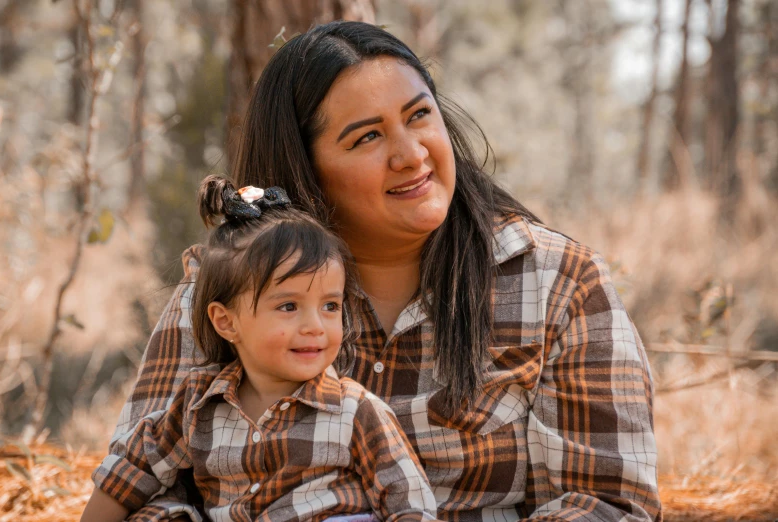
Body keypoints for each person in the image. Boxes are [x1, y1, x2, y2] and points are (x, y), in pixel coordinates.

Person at [103, 21, 662, 522]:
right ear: (305, 170)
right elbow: (148, 487)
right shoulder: (228, 285)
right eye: (367, 137)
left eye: (419, 116)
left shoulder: (557, 280)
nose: (411, 154)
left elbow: (608, 501)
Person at [81, 177, 439, 522]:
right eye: (288, 306)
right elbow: (131, 470)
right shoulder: (198, 406)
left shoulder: (356, 412)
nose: (316, 325)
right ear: (226, 322)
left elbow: (412, 506)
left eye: (330, 306)